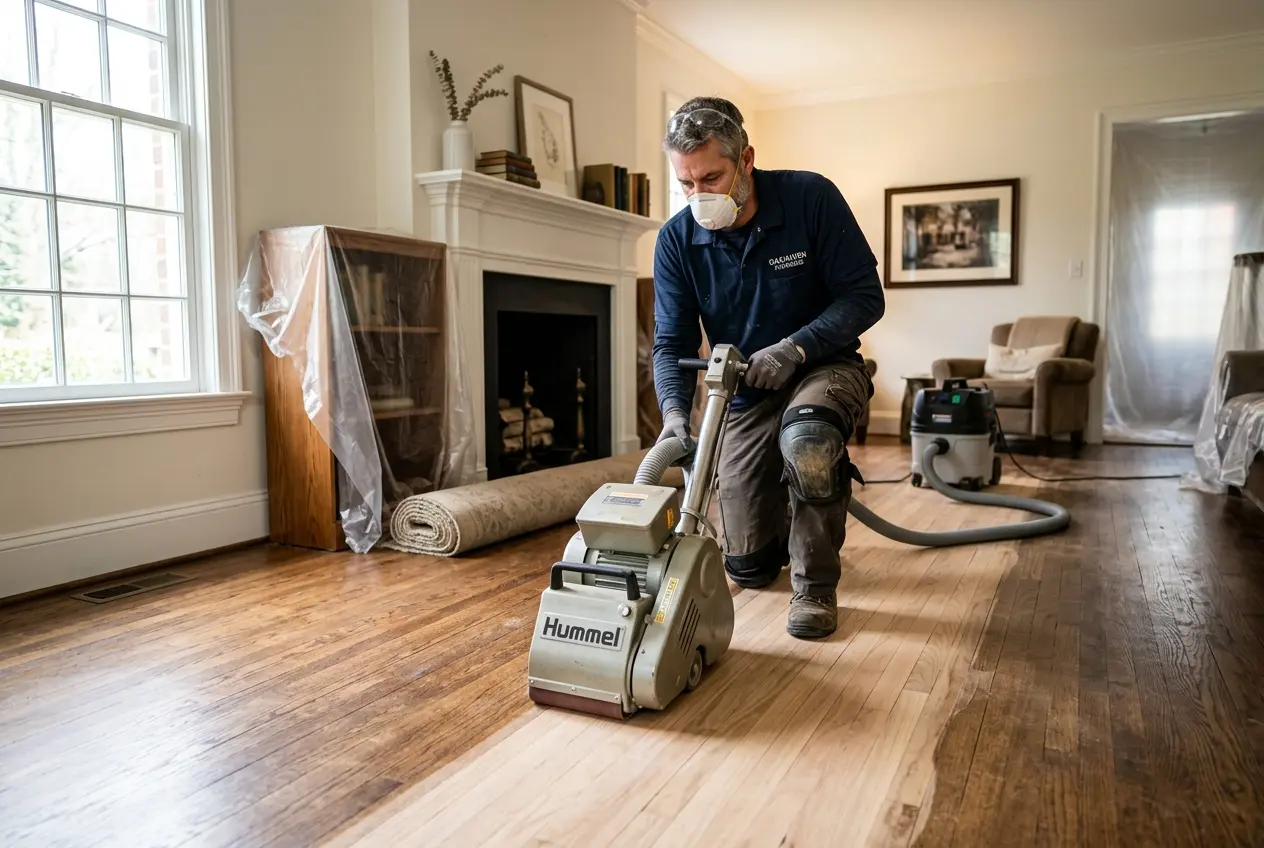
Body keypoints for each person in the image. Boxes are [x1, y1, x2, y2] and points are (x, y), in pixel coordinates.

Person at [651, 96, 885, 639]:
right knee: (750, 569)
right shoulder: (677, 241)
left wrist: (795, 348)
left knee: (807, 441)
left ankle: (816, 588)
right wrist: (672, 415)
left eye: (712, 177)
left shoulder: (809, 198)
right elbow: (671, 341)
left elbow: (864, 297)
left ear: (747, 159)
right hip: (746, 390)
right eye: (686, 184)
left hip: (822, 367)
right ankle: (791, 507)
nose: (698, 196)